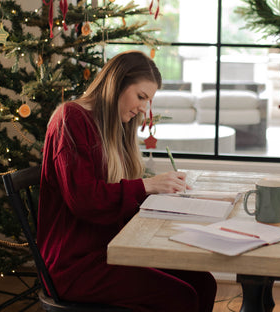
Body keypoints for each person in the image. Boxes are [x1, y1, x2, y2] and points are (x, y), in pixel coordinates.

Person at [37, 50, 217, 312]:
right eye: (141, 96)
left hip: (112, 248)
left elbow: (116, 194)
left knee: (203, 283)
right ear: (116, 85)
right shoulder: (71, 118)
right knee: (181, 297)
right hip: (74, 265)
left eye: (149, 100)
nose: (144, 108)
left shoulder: (113, 126)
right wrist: (147, 186)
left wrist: (168, 197)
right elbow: (84, 200)